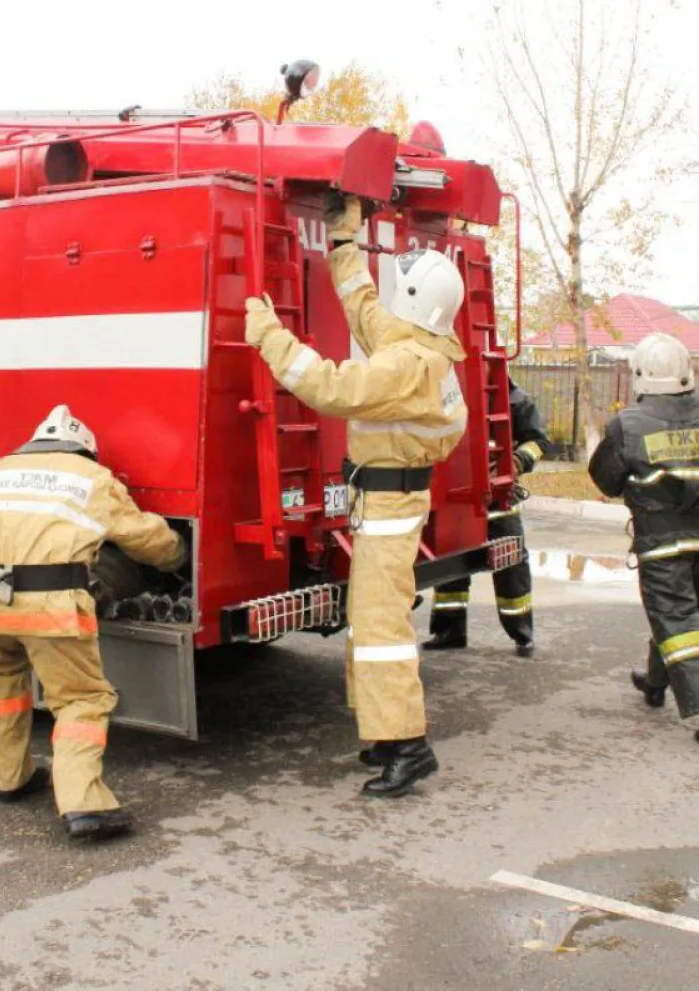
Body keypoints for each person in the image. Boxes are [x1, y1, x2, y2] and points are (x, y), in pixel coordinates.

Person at [245, 193, 468, 799]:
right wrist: (347, 242)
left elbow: (329, 387)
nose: (391, 297)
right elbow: (364, 307)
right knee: (369, 628)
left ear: (416, 303)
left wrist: (268, 335)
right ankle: (380, 732)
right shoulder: (424, 349)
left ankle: (408, 747)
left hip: (391, 510)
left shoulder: (407, 367)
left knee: (380, 630)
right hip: (389, 506)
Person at [0, 405, 185, 841]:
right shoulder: (91, 478)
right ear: (85, 450)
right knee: (81, 699)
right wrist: (178, 555)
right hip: (49, 607)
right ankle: (83, 805)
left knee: (1, 687)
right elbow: (143, 538)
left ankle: (12, 779)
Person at [586, 332, 699, 745]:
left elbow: (604, 476)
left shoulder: (629, 424)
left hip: (661, 542)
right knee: (681, 616)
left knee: (676, 621)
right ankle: (655, 684)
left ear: (640, 374)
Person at [424, 378, 550, 656]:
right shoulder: (448, 393)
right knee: (450, 564)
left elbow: (539, 441)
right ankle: (449, 631)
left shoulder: (518, 401)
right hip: (457, 495)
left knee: (511, 564)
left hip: (498, 499)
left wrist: (516, 461)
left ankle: (522, 634)